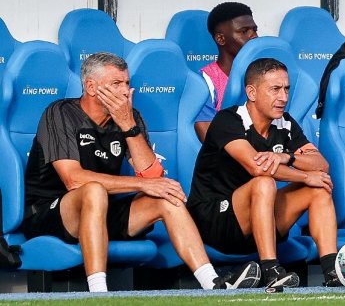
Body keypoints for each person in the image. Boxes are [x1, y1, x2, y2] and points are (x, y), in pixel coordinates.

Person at [23, 52, 260, 292]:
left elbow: (152, 178)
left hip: (102, 210)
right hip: (50, 213)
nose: (126, 91)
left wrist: (128, 126)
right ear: (91, 87)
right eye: (116, 84)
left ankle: (213, 283)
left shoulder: (130, 117)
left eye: (127, 83)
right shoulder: (60, 112)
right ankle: (98, 292)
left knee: (167, 195)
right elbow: (73, 179)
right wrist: (139, 185)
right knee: (93, 191)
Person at [187, 58, 341, 290]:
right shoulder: (228, 120)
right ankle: (271, 269)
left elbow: (322, 164)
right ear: (252, 92)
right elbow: (257, 167)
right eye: (275, 89)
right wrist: (305, 176)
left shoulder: (285, 123)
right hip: (215, 222)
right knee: (264, 182)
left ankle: (332, 271)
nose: (284, 97)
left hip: (260, 223)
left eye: (287, 89)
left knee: (319, 189)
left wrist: (288, 157)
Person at [194, 2, 258, 142]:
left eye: (254, 29)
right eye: (244, 31)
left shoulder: (266, 75)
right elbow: (211, 141)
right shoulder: (204, 82)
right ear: (221, 39)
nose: (254, 36)